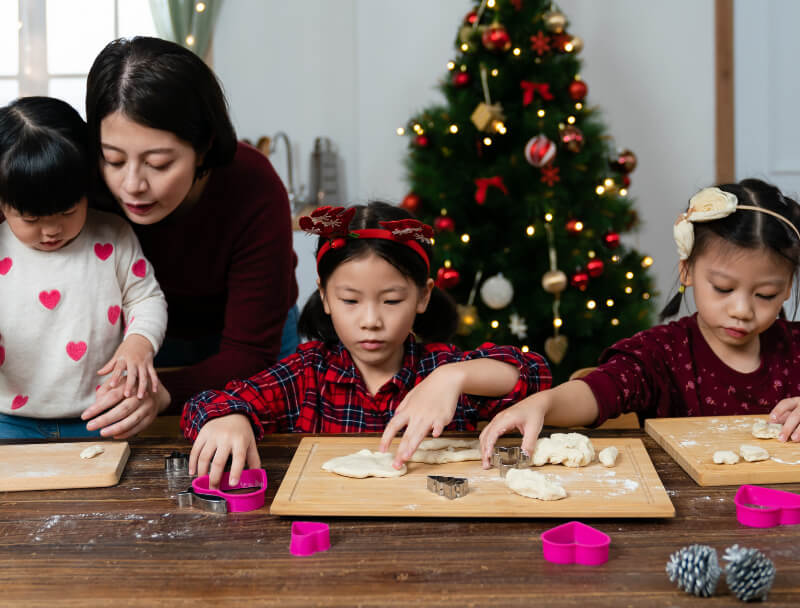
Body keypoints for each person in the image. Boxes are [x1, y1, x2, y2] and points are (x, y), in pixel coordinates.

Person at [182, 201, 552, 487]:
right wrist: (229, 418)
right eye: (350, 300)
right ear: (325, 297)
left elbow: (534, 375)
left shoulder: (440, 370)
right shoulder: (307, 374)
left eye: (391, 301)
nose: (371, 320)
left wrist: (453, 379)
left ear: (423, 297)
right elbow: (205, 403)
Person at [479, 178, 800, 467]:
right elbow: (599, 390)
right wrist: (545, 403)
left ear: (786, 288)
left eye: (765, 294)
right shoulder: (660, 354)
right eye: (723, 288)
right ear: (687, 270)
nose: (742, 310)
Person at [81, 36, 299, 438]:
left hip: (246, 340)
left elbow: (248, 351)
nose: (132, 185)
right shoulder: (84, 181)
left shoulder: (253, 185)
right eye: (113, 159)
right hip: (140, 335)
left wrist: (165, 393)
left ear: (204, 147)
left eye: (158, 163)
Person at [0, 97, 167, 440]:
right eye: (31, 219)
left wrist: (139, 343)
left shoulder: (113, 235)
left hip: (102, 414)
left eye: (67, 212)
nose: (50, 231)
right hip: (8, 419)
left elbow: (145, 298)